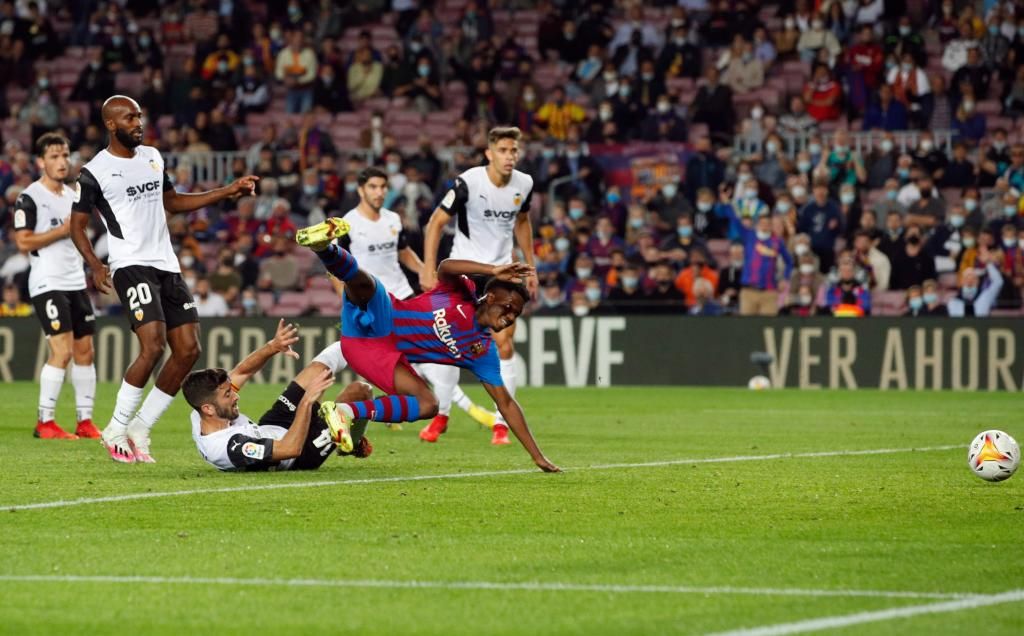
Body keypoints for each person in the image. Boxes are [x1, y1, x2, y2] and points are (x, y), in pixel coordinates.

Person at [69, 96, 258, 464]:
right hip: (130, 264)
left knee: (188, 349)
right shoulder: (95, 171)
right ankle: (115, 427)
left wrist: (227, 191)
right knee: (153, 345)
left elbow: (172, 202)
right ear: (111, 124)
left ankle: (141, 427)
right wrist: (95, 263)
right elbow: (77, 225)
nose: (138, 123)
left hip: (166, 265)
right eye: (130, 117)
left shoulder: (153, 156)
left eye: (139, 116)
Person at [295, 218, 559, 473]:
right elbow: (446, 266)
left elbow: (507, 404)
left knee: (429, 405)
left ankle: (344, 412)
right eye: (509, 308)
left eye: (516, 315)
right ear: (490, 297)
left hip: (379, 353)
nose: (510, 317)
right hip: (378, 320)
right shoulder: (460, 291)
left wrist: (538, 456)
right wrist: (492, 269)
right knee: (371, 286)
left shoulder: (482, 351)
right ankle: (324, 248)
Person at [332, 167, 497, 430]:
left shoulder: (393, 220)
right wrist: (347, 302)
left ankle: (445, 410)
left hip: (404, 295)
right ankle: (454, 410)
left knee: (428, 356)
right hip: (373, 302)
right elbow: (337, 269)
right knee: (396, 360)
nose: (379, 192)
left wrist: (425, 271)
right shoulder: (348, 224)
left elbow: (404, 253)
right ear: (361, 190)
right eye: (373, 187)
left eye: (382, 187)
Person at [419, 127, 536, 446]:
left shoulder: (524, 183)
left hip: (503, 272)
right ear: (489, 153)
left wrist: (532, 266)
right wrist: (429, 268)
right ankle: (441, 414)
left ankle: (501, 423)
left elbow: (523, 222)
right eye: (503, 150)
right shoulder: (468, 182)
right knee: (446, 343)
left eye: (514, 150)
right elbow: (436, 223)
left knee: (504, 344)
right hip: (465, 270)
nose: (510, 156)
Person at [183, 319, 373, 472]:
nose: (235, 396)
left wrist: (273, 346)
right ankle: (352, 443)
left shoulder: (201, 408)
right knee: (361, 391)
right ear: (208, 409)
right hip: (300, 453)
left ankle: (375, 339)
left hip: (272, 425)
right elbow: (290, 449)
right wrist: (306, 402)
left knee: (324, 365)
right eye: (228, 394)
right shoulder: (227, 448)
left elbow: (241, 372)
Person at [12, 134, 99, 441]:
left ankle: (84, 421)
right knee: (61, 352)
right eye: (54, 157)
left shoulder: (74, 194)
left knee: (85, 352)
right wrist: (63, 230)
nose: (62, 162)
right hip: (48, 282)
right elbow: (23, 242)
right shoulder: (30, 197)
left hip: (76, 281)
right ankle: (45, 421)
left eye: (65, 155)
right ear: (40, 162)